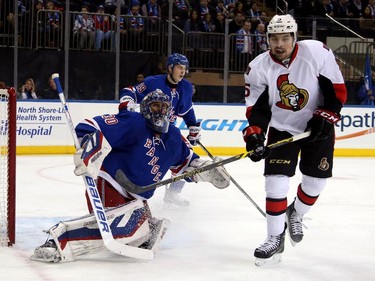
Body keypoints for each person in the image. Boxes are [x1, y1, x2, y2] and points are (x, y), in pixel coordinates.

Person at [30, 89, 230, 262]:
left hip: (138, 197)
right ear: (145, 109)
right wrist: (88, 147)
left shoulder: (174, 137)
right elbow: (91, 126)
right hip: (111, 183)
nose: (160, 111)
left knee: (149, 231)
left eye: (164, 107)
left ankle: (131, 231)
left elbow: (187, 164)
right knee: (132, 230)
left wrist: (207, 170)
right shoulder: (133, 122)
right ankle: (57, 240)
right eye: (155, 106)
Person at [242, 14, 347, 266]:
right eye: (274, 38)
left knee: (315, 183)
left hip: (316, 126)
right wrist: (255, 133)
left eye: (285, 38)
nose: (280, 44)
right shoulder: (258, 67)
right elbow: (256, 108)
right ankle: (273, 237)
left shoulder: (316, 53)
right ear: (267, 39)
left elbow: (338, 91)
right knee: (275, 183)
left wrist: (327, 115)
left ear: (294, 37)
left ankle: (296, 213)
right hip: (281, 128)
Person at [119, 53, 201, 207]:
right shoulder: (152, 82)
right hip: (146, 127)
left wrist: (193, 127)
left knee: (187, 155)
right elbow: (130, 91)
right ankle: (123, 186)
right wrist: (127, 101)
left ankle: (172, 194)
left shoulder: (186, 87)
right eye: (179, 67)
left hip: (167, 131)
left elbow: (187, 110)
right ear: (170, 68)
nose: (182, 71)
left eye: (184, 68)